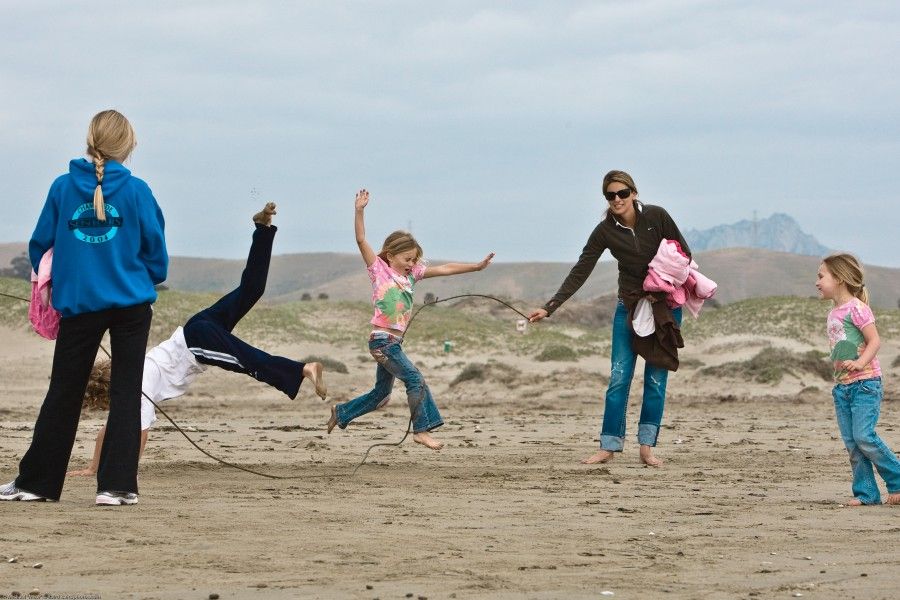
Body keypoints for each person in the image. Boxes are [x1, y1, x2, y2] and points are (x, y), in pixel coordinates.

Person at [66, 203, 328, 477]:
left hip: (196, 342)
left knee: (247, 361)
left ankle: (302, 369)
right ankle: (262, 230)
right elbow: (106, 431)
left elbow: (139, 434)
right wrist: (92, 468)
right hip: (196, 327)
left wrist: (124, 472)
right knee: (250, 290)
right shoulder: (130, 372)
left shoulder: (135, 391)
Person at [0, 110, 167, 506]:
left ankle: (37, 483)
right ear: (128, 146)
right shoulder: (138, 190)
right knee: (127, 393)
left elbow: (40, 247)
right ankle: (117, 487)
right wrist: (131, 273)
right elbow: (156, 257)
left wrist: (72, 275)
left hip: (80, 305)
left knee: (64, 391)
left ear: (90, 140)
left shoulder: (62, 187)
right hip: (131, 305)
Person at [529, 170, 690, 467]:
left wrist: (659, 278)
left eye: (622, 193)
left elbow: (684, 254)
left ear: (634, 193)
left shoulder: (657, 217)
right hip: (628, 308)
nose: (617, 199)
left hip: (663, 307)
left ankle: (646, 448)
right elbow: (581, 269)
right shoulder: (605, 231)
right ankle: (609, 445)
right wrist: (550, 307)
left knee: (656, 379)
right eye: (610, 195)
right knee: (618, 377)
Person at [326, 189, 494, 450]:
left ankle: (342, 412)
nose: (411, 263)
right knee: (415, 379)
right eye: (407, 259)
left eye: (414, 260)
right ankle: (421, 430)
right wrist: (359, 210)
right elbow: (361, 240)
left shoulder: (412, 276)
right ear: (390, 255)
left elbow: (445, 269)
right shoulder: (379, 270)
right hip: (382, 342)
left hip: (392, 343)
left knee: (381, 395)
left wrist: (475, 267)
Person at [816, 253, 900, 506]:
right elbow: (844, 346)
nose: (817, 282)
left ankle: (897, 481)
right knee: (853, 443)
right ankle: (867, 494)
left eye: (821, 276)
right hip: (843, 388)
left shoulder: (858, 309)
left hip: (866, 383)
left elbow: (875, 341)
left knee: (864, 437)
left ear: (840, 278)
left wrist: (860, 363)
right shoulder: (834, 313)